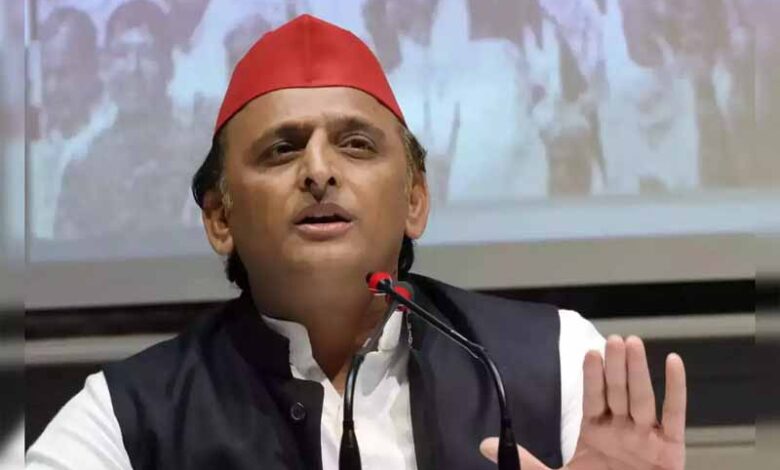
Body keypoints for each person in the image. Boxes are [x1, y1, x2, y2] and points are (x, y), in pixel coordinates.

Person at [27, 14, 687, 470]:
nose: (319, 171)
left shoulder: (559, 363)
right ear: (220, 217)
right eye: (282, 150)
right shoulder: (124, 420)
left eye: (356, 144)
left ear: (414, 200)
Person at [54, 0, 198, 240]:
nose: (133, 69)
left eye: (147, 54)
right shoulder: (83, 163)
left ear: (169, 66)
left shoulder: (197, 154)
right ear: (104, 65)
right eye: (121, 54)